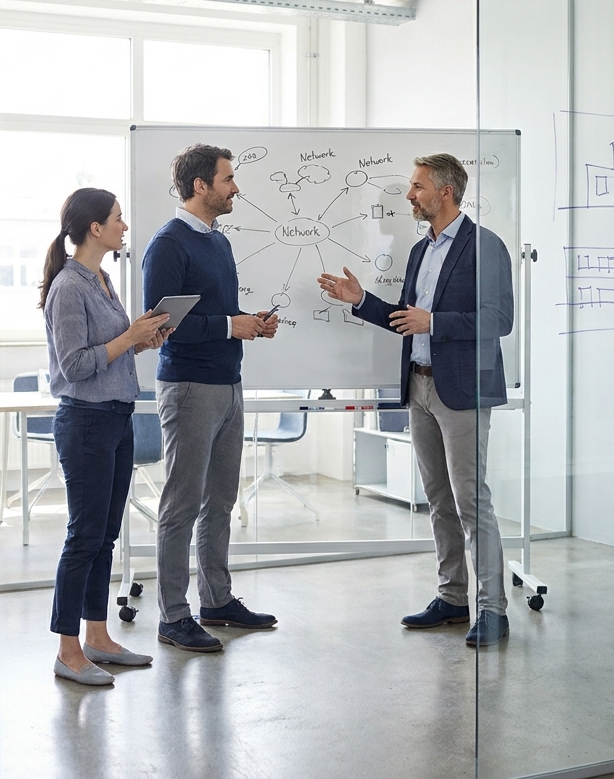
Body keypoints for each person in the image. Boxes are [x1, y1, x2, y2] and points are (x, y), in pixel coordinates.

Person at [318, 153, 515, 647]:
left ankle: (493, 610)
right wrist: (360, 300)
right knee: (439, 500)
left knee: (472, 501)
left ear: (444, 192)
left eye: (417, 187)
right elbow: (407, 319)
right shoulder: (419, 251)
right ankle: (453, 597)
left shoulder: (484, 247)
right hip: (420, 386)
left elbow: (499, 320)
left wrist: (437, 324)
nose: (410, 195)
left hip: (463, 390)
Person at [142, 143, 281, 653]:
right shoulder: (168, 244)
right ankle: (173, 617)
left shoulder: (218, 243)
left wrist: (249, 325)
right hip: (189, 387)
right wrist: (229, 325)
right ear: (200, 186)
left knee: (221, 500)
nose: (235, 188)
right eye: (227, 179)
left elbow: (217, 314)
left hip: (228, 383)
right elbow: (162, 325)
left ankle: (216, 601)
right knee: (182, 504)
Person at [41, 187, 173, 686]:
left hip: (116, 418)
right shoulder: (69, 287)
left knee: (106, 537)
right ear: (95, 228)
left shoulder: (102, 278)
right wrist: (128, 338)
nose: (124, 226)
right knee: (84, 537)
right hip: (86, 422)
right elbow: (75, 366)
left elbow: (108, 353)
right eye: (118, 218)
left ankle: (97, 636)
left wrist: (143, 338)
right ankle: (68, 649)